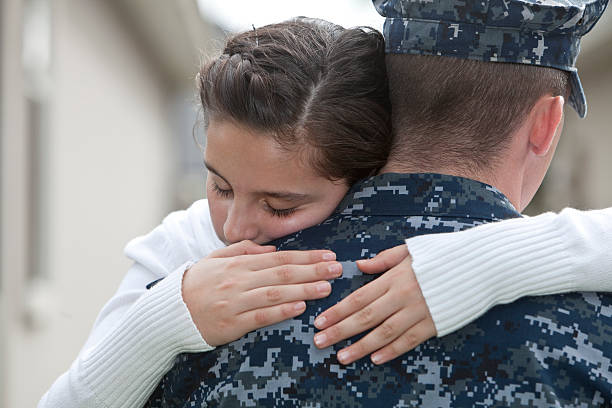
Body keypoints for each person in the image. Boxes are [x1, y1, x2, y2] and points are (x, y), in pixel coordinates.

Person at [40, 13, 612, 408]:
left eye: (281, 204)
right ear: (547, 124)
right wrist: (160, 319)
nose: (237, 228)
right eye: (217, 185)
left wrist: (496, 258)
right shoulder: (184, 251)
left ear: (375, 157)